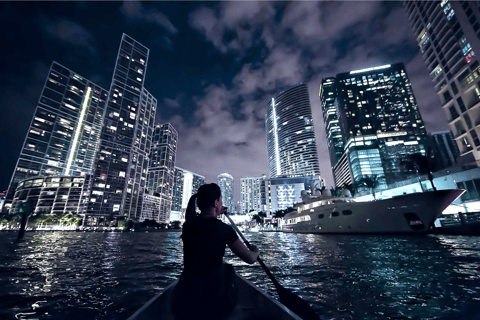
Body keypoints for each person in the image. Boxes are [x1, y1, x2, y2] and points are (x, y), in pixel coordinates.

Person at [171, 183, 260, 320]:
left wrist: (216, 212)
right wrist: (255, 251)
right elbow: (250, 259)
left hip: (183, 300)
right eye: (220, 200)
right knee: (229, 270)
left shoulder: (188, 226)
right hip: (213, 304)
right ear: (216, 202)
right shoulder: (224, 229)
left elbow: (206, 222)